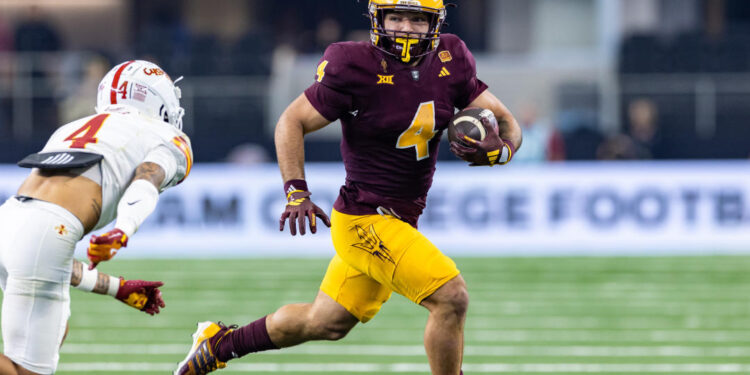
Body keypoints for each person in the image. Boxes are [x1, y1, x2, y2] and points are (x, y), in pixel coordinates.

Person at [175, 1, 521, 374]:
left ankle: (218, 344)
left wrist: (501, 153)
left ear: (434, 24)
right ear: (379, 20)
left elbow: (505, 120)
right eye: (396, 17)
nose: (406, 27)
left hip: (400, 220)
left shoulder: (451, 58)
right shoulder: (354, 65)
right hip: (365, 219)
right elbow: (291, 121)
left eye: (417, 19)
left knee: (325, 323)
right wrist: (296, 192)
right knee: (451, 297)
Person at [0, 59, 193, 375]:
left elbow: (46, 253)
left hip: (9, 219)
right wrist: (124, 229)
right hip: (46, 230)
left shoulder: (72, 127)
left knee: (54, 332)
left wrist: (116, 287)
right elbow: (147, 179)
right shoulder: (165, 135)